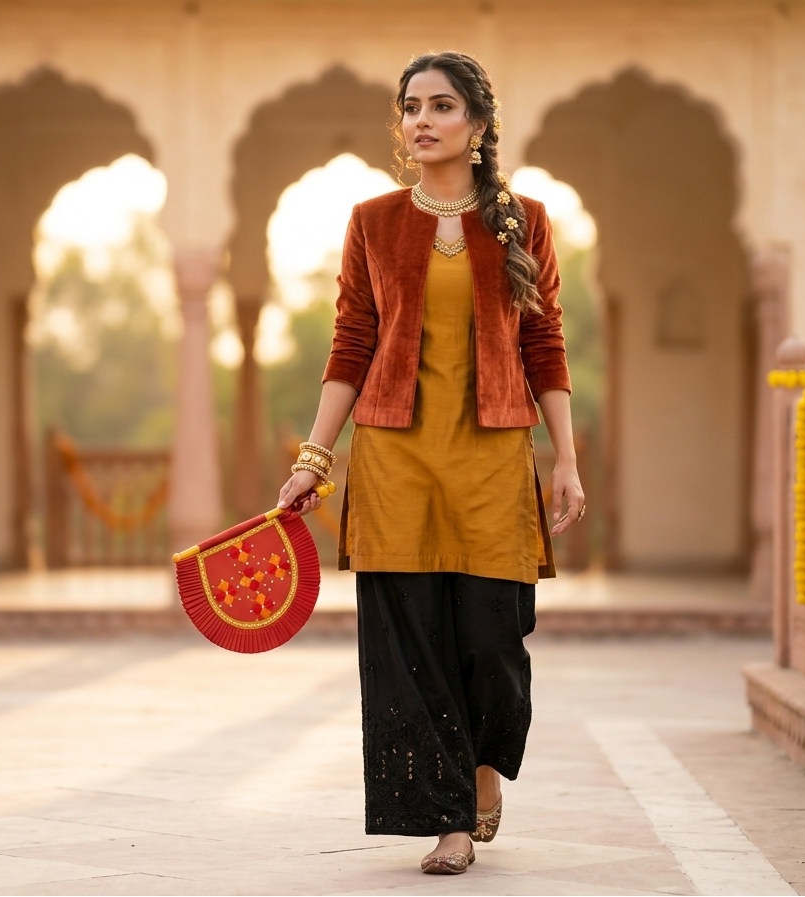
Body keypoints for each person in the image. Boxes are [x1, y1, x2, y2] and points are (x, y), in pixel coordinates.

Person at [277, 51, 585, 875]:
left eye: (441, 106)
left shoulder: (525, 219)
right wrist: (315, 455)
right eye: (410, 106)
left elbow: (544, 345)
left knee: (493, 640)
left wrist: (565, 460)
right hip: (394, 459)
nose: (420, 120)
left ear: (477, 127)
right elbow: (350, 344)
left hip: (490, 457)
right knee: (409, 644)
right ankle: (447, 820)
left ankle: (484, 769)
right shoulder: (372, 221)